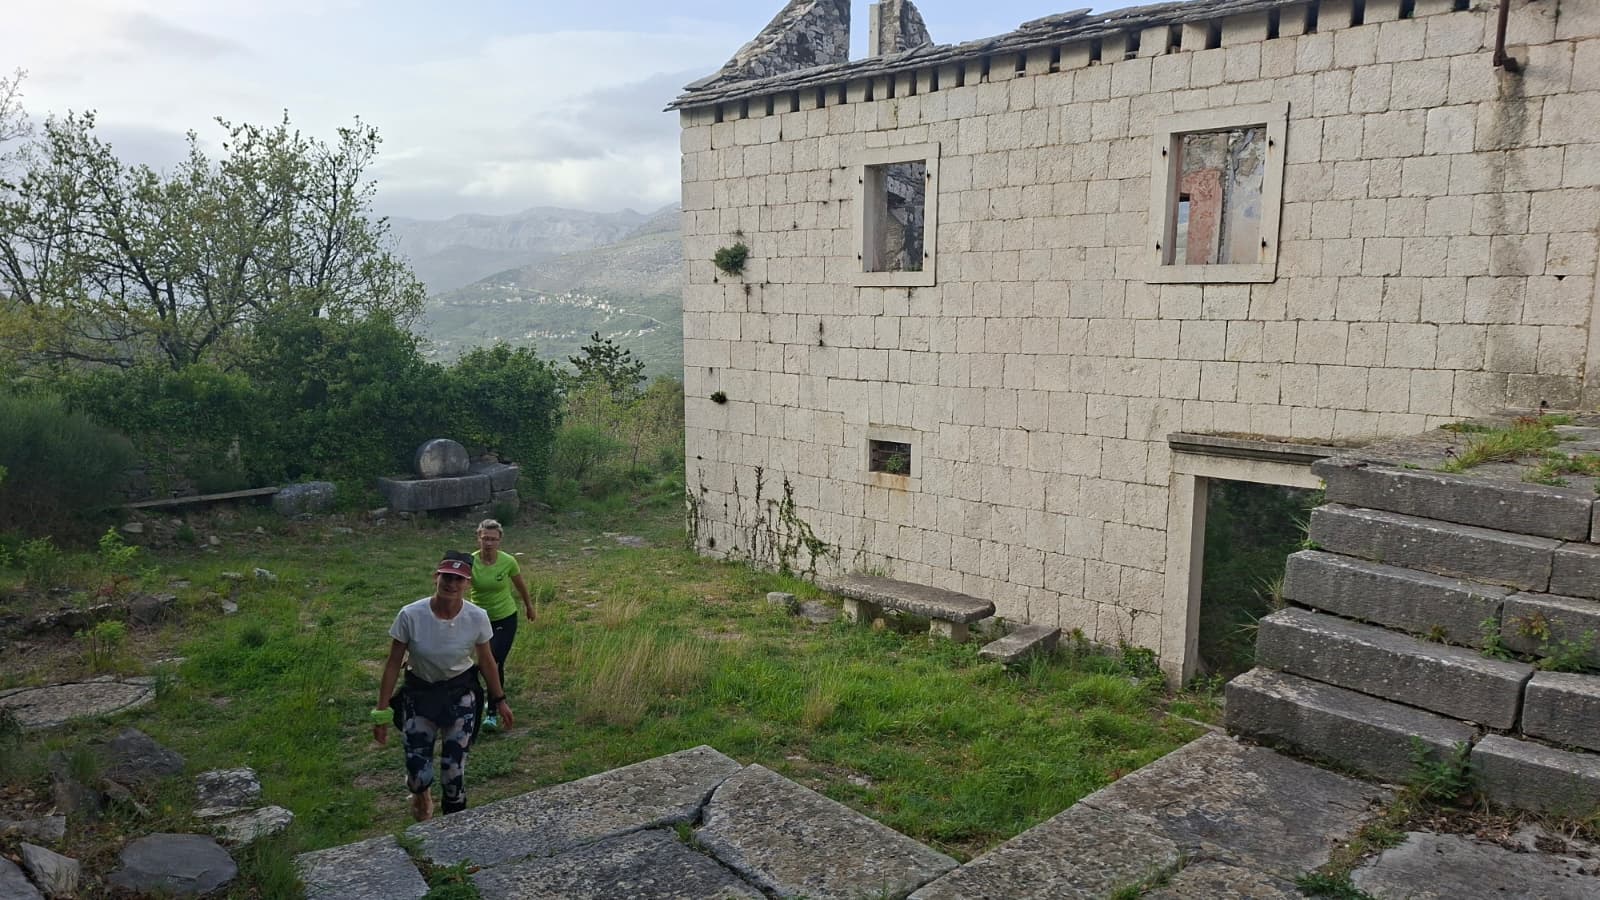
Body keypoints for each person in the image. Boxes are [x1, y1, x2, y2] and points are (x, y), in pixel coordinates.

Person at [373, 554, 514, 821]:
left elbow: (487, 661)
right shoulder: (410, 615)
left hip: (459, 695)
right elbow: (392, 664)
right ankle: (421, 793)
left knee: (453, 773)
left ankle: (454, 829)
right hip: (419, 695)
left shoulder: (477, 617)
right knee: (417, 774)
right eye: (447, 577)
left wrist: (499, 700)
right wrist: (381, 712)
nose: (451, 584)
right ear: (436, 578)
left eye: (459, 579)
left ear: (468, 584)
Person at [470, 519, 535, 732]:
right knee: (483, 663)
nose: (489, 543)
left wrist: (529, 606)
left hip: (505, 617)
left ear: (500, 541)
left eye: (493, 539)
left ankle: (491, 712)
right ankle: (481, 699)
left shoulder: (508, 561)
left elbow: (520, 585)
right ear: (478, 538)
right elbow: (458, 588)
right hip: (480, 619)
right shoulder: (470, 562)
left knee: (494, 661)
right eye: (485, 538)